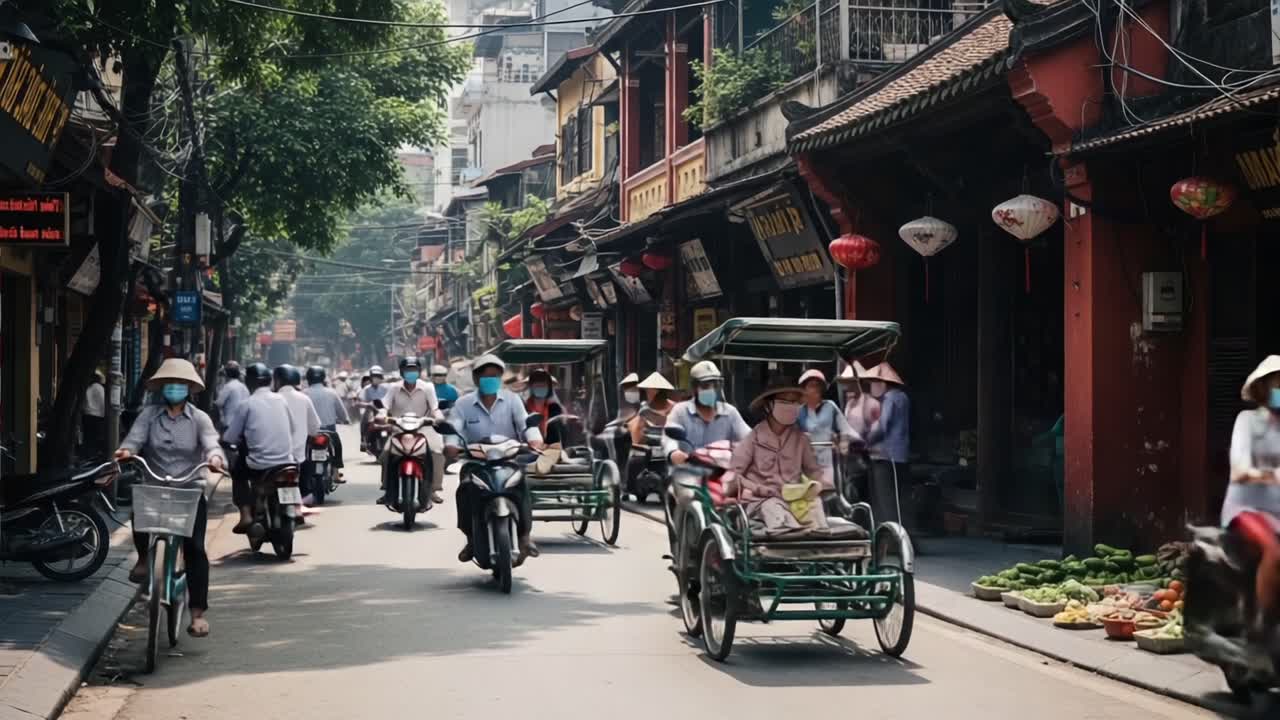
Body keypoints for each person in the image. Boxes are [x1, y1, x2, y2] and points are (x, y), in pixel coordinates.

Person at [115, 359, 225, 638]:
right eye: (169, 384)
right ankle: (143, 559)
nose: (174, 388)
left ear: (188, 388)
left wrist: (214, 459)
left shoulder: (199, 418)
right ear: (162, 387)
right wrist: (126, 452)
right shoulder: (149, 416)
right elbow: (134, 440)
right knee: (139, 506)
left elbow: (212, 444)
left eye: (180, 384)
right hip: (155, 484)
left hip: (189, 489)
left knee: (195, 549)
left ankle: (197, 614)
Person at [445, 354, 544, 563]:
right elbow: (454, 427)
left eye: (495, 376)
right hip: (476, 462)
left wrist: (534, 439)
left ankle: (525, 537)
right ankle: (471, 539)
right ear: (476, 378)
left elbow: (525, 423)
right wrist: (451, 445)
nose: (491, 380)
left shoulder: (512, 400)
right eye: (486, 376)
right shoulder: (463, 404)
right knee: (464, 490)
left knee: (522, 487)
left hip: (508, 459)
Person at [1225, 356, 1280, 622]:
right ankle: (1263, 626)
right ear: (1263, 388)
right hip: (1246, 509)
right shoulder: (1247, 421)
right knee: (1275, 552)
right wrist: (1272, 475)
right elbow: (1240, 470)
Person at [223, 362, 296, 534]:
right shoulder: (282, 400)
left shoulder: (247, 404)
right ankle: (294, 508)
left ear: (249, 382)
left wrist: (226, 442)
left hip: (259, 464)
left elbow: (230, 437)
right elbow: (292, 428)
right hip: (287, 461)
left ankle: (246, 515)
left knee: (237, 472)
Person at [730, 382, 824, 499]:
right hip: (762, 501)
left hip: (795, 499)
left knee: (818, 507)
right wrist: (757, 489)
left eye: (795, 402)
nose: (791, 407)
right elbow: (733, 475)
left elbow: (814, 472)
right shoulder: (754, 438)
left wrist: (817, 486)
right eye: (785, 402)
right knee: (774, 508)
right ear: (769, 405)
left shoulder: (801, 439)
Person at [378, 356, 443, 505]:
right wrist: (381, 415)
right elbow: (384, 406)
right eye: (408, 370)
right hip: (399, 429)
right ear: (402, 372)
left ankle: (433, 489)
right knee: (386, 454)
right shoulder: (394, 388)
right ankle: (388, 489)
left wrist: (438, 418)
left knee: (437, 452)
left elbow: (435, 408)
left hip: (423, 429)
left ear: (419, 371)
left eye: (414, 369)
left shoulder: (427, 387)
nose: (411, 372)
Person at [663, 360, 751, 465]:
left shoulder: (729, 412)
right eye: (705, 386)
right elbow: (668, 439)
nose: (712, 390)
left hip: (720, 470)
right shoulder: (680, 410)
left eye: (716, 385)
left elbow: (749, 439)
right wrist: (673, 452)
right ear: (694, 388)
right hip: (687, 470)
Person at [862, 362, 910, 525]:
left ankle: (889, 532)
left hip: (885, 455)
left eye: (874, 382)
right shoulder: (903, 397)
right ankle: (901, 530)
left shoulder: (889, 399)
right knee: (899, 497)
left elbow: (882, 425)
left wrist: (866, 441)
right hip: (901, 455)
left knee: (885, 499)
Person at [797, 369, 859, 487]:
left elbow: (844, 428)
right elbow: (792, 434)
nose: (815, 389)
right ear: (804, 389)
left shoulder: (830, 406)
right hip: (808, 460)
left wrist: (844, 442)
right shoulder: (799, 411)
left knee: (829, 489)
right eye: (811, 386)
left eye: (818, 386)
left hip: (829, 459)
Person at [274, 365, 321, 507]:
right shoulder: (304, 399)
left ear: (277, 381)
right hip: (299, 458)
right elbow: (315, 428)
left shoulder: (272, 399)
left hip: (273, 460)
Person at [304, 365, 349, 483]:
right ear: (323, 378)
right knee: (337, 447)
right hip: (329, 430)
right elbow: (342, 412)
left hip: (310, 432)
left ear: (308, 378)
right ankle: (336, 474)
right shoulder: (332, 393)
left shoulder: (304, 394)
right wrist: (345, 419)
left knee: (304, 452)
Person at [525, 368, 564, 440]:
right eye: (537, 385)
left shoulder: (555, 408)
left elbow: (559, 432)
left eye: (543, 385)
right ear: (531, 387)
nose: (540, 388)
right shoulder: (523, 407)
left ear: (549, 387)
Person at [357, 365, 389, 451]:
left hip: (384, 412)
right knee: (364, 418)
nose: (376, 378)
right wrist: (367, 405)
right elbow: (359, 402)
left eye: (378, 376)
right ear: (371, 377)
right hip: (371, 412)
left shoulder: (386, 388)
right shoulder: (366, 389)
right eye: (374, 376)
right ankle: (363, 440)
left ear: (381, 377)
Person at [215, 361, 249, 433]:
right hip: (242, 425)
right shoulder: (245, 388)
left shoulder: (228, 386)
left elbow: (219, 403)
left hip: (228, 424)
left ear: (227, 374)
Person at [82, 370, 107, 458]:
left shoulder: (88, 388)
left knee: (88, 438)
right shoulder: (100, 388)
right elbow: (103, 403)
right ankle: (93, 455)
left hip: (87, 415)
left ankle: (88, 454)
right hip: (98, 416)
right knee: (95, 438)